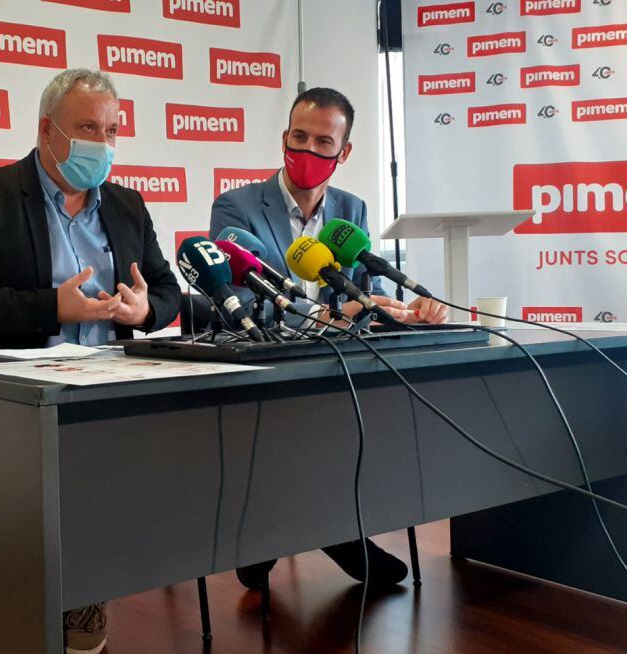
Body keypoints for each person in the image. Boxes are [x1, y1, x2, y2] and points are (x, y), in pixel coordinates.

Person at [0, 68, 181, 654]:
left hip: (112, 390)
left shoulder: (126, 205)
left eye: (113, 130)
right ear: (46, 130)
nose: (103, 142)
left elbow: (165, 292)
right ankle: (45, 600)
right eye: (88, 127)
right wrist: (50, 306)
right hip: (19, 398)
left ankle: (82, 590)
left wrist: (143, 312)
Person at [209, 87, 448, 595]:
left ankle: (286, 535)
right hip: (268, 366)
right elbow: (245, 302)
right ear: (283, 139)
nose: (308, 152)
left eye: (323, 142)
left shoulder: (351, 209)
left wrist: (407, 309)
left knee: (356, 418)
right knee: (299, 427)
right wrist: (333, 313)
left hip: (339, 366)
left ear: (344, 152)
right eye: (299, 137)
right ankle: (321, 538)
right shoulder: (236, 208)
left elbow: (372, 292)